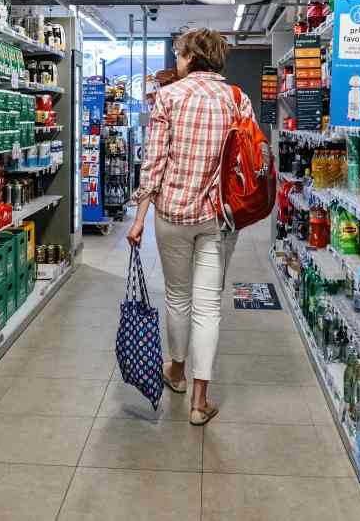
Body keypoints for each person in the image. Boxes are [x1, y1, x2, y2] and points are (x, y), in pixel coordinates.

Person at [127, 28, 253, 426]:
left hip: (172, 215)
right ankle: (200, 400)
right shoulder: (237, 100)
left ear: (193, 56)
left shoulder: (168, 97)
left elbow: (154, 164)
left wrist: (140, 216)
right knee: (208, 305)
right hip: (217, 217)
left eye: (180, 54)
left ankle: (176, 372)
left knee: (178, 298)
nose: (177, 61)